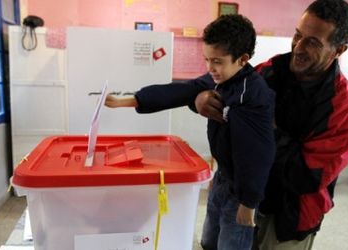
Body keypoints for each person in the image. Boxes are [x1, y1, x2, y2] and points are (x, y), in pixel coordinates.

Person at [194, 0, 348, 249]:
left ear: (339, 50)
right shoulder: (271, 70)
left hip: (286, 219)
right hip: (238, 195)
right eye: (298, 35)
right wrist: (203, 97)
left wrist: (264, 129)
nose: (299, 47)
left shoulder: (344, 109)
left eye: (313, 42)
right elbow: (229, 87)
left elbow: (306, 176)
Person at [104, 14, 276, 249]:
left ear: (242, 59)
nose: (210, 68)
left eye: (217, 61)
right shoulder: (220, 78)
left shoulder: (253, 96)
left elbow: (258, 155)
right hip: (223, 177)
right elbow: (181, 91)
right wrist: (131, 100)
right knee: (208, 241)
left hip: (242, 190)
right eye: (207, 60)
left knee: (232, 244)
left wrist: (248, 202)